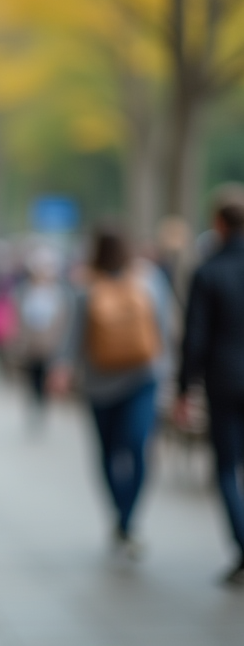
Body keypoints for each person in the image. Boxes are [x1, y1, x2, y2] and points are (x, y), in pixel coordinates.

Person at [52, 223, 175, 559]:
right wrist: (170, 375)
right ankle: (126, 518)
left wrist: (62, 368)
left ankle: (123, 519)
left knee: (109, 451)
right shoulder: (149, 279)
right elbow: (164, 329)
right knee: (136, 448)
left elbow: (72, 335)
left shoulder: (84, 283)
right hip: (143, 377)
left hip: (102, 381)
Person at [175, 193, 244, 586]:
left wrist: (186, 388)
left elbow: (195, 337)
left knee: (226, 468)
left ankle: (241, 544)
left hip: (224, 382)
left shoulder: (209, 270)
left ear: (219, 224)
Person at [13, 244, 71, 423]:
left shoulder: (60, 293)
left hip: (51, 344)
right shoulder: (24, 291)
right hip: (31, 345)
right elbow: (19, 317)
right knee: (32, 377)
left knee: (46, 377)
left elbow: (63, 320)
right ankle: (34, 405)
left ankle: (43, 406)